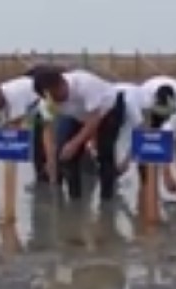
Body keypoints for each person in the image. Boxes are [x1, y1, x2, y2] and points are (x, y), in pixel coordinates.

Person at [31, 69, 128, 201]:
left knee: (104, 153)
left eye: (56, 96)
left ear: (62, 83)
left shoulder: (84, 84)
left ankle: (106, 203)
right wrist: (51, 161)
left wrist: (76, 143)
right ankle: (75, 201)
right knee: (67, 157)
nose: (55, 101)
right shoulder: (47, 101)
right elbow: (48, 132)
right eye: (50, 98)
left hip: (109, 109)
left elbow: (95, 118)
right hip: (79, 115)